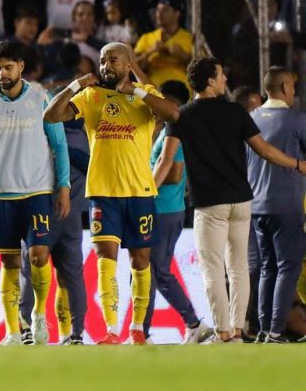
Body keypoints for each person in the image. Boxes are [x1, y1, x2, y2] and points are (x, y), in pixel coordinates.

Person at [154, 57, 306, 343]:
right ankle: (236, 330)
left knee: (213, 269)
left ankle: (222, 332)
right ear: (210, 81)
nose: (225, 79)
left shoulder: (183, 116)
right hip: (241, 201)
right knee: (238, 268)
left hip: (209, 203)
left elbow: (165, 161)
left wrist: (147, 192)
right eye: (221, 75)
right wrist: (297, 164)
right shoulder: (235, 111)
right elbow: (264, 150)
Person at [44, 43, 181, 344]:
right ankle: (110, 329)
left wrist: (137, 91)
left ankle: (137, 328)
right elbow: (51, 116)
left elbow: (173, 114)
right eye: (102, 60)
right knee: (105, 259)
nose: (106, 65)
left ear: (129, 64)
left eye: (113, 60)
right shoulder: (91, 96)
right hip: (103, 192)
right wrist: (77, 84)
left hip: (139, 192)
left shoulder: (144, 95)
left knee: (140, 262)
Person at [0, 40, 70, 345]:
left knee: (38, 256)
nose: (2, 73)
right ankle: (11, 332)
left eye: (8, 67)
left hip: (37, 191)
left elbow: (59, 144)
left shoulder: (41, 97)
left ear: (21, 66)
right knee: (8, 263)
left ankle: (38, 314)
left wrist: (63, 186)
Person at [144, 80, 210, 343]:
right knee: (154, 272)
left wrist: (145, 188)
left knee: (153, 272)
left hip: (164, 210)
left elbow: (174, 173)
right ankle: (191, 324)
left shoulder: (176, 131)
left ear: (172, 104)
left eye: (161, 100)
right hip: (166, 209)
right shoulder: (168, 130)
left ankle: (146, 331)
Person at [246, 67, 306, 343]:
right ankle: (276, 329)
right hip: (286, 205)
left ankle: (263, 329)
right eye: (292, 86)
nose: (294, 91)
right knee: (287, 267)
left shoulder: (251, 118)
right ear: (284, 87)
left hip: (256, 205)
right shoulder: (296, 120)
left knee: (267, 267)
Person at [134, 0, 193, 90]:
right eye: (158, 10)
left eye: (165, 10)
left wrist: (184, 56)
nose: (159, 13)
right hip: (153, 89)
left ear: (177, 14)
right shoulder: (147, 38)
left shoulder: (189, 38)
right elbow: (132, 68)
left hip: (181, 90)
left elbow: (200, 70)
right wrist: (149, 52)